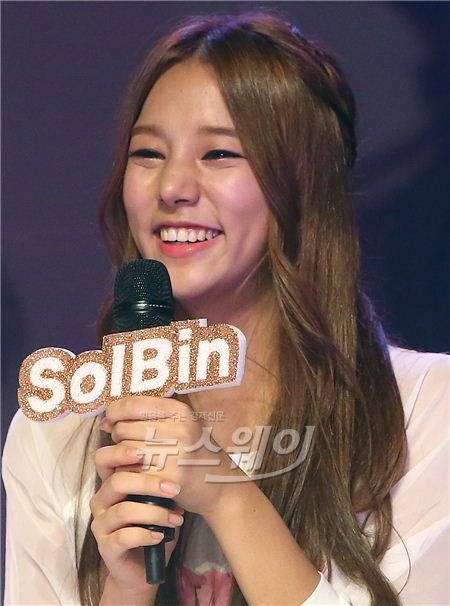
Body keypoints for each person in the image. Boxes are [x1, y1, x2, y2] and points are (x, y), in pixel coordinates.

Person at [3, 12, 449, 606]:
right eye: (148, 153)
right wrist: (127, 587)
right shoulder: (60, 433)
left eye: (217, 153)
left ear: (304, 184)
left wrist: (226, 497)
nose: (172, 188)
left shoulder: (424, 412)